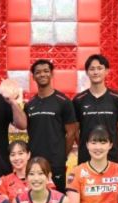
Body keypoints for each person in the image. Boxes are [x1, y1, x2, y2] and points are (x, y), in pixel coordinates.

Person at [25, 59, 78, 192]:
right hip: (34, 162)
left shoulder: (64, 102)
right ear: (33, 77)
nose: (42, 74)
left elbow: (71, 133)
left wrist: (62, 156)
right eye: (38, 72)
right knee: (36, 197)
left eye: (46, 71)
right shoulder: (30, 105)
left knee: (57, 198)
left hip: (56, 163)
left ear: (52, 74)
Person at [73, 54, 118, 164]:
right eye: (92, 69)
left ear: (107, 71)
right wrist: (86, 146)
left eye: (99, 68)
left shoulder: (117, 98)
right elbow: (75, 130)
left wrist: (111, 146)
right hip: (86, 156)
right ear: (87, 72)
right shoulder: (78, 100)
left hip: (111, 156)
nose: (96, 72)